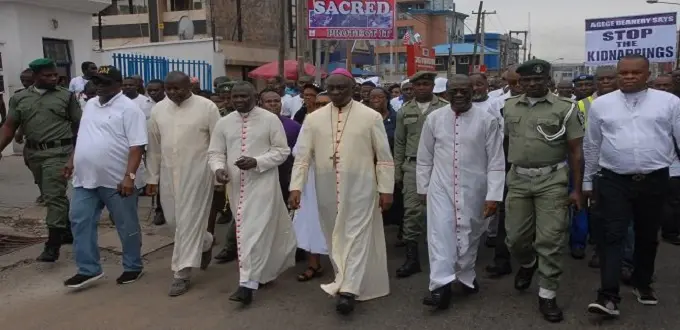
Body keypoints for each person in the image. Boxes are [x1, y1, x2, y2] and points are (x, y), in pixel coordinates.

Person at [289, 68, 394, 315]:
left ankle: (348, 290)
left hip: (362, 186)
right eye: (331, 88)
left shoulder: (370, 117)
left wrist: (386, 189)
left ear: (353, 89)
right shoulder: (313, 119)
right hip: (325, 186)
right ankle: (345, 279)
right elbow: (302, 157)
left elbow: (385, 158)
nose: (335, 92)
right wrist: (296, 186)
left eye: (341, 88)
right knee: (334, 234)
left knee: (356, 236)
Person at [584, 55, 680, 316]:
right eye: (623, 73)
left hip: (655, 179)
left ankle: (642, 282)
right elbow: (592, 144)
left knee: (647, 236)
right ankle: (608, 296)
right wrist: (587, 180)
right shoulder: (602, 105)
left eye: (634, 73)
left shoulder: (669, 102)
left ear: (647, 74)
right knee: (612, 235)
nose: (627, 77)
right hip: (614, 179)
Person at [503, 59, 584, 322]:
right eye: (526, 80)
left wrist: (578, 189)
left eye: (538, 79)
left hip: (552, 179)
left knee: (550, 239)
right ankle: (528, 264)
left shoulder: (566, 108)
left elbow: (576, 151)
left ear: (548, 80)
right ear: (520, 83)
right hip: (518, 179)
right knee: (515, 238)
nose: (532, 84)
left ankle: (547, 294)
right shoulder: (509, 106)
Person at [417, 75, 505, 310]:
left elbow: (496, 161)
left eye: (463, 90)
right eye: (453, 90)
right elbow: (424, 157)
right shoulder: (434, 119)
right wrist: (423, 188)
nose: (458, 94)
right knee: (440, 235)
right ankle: (440, 287)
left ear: (472, 92)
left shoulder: (487, 120)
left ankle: (466, 275)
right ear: (445, 93)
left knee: (469, 234)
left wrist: (494, 195)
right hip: (440, 187)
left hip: (475, 187)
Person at [208, 81, 297, 305]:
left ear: (255, 97)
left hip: (264, 183)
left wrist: (257, 161)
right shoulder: (224, 123)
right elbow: (215, 152)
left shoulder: (269, 119)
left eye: (243, 97)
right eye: (235, 97)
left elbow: (282, 151)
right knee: (248, 232)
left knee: (252, 232)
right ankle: (261, 273)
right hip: (236, 186)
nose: (239, 100)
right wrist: (218, 169)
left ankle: (246, 285)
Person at [64, 65, 146, 288]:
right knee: (79, 219)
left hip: (118, 181)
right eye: (96, 81)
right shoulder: (90, 104)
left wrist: (129, 177)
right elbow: (82, 136)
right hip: (85, 178)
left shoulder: (130, 109)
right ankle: (88, 269)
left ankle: (133, 266)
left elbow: (137, 146)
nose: (98, 86)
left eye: (104, 82)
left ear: (118, 85)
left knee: (125, 224)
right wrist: (72, 160)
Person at [145, 71, 221, 297]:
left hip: (198, 172)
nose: (173, 93)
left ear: (190, 86)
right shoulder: (158, 110)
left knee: (188, 222)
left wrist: (218, 174)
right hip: (169, 173)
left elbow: (218, 143)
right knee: (174, 222)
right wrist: (152, 178)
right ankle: (206, 241)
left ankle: (182, 273)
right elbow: (154, 147)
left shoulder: (207, 107)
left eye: (178, 88)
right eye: (169, 88)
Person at [0, 58, 81, 262]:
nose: (53, 78)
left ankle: (52, 246)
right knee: (48, 193)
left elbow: (80, 127)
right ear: (35, 77)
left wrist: (74, 155)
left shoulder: (66, 96)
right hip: (33, 154)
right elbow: (9, 126)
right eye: (47, 75)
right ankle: (67, 230)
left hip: (59, 152)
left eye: (55, 75)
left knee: (54, 195)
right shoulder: (20, 99)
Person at [393, 71, 449, 278]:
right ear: (412, 88)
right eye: (418, 85)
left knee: (442, 212)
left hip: (440, 166)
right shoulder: (404, 111)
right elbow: (399, 142)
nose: (422, 88)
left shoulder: (445, 107)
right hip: (412, 167)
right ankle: (412, 258)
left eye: (426, 84)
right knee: (412, 212)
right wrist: (397, 171)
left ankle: (443, 256)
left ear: (433, 86)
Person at [575, 66, 618, 268]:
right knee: (590, 209)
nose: (607, 82)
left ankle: (616, 255)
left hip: (617, 167)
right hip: (588, 164)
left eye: (611, 78)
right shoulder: (582, 105)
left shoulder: (626, 103)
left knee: (615, 213)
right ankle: (587, 245)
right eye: (603, 79)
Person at [485, 66, 525, 278]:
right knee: (504, 212)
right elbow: (492, 137)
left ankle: (528, 260)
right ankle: (502, 259)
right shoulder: (496, 105)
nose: (518, 86)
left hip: (533, 164)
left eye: (521, 81)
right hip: (505, 162)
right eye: (513, 82)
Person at [291, 93, 328, 282]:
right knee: (312, 221)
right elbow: (297, 151)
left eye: (326, 104)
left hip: (340, 180)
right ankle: (314, 264)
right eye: (318, 104)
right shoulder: (309, 123)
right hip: (313, 179)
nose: (321, 107)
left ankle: (345, 270)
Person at [469, 73, 505, 247]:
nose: (475, 88)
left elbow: (501, 132)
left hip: (490, 159)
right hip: (469, 162)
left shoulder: (495, 104)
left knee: (491, 197)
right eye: (472, 85)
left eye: (479, 84)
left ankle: (491, 233)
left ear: (486, 86)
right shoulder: (460, 107)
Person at [651, 74, 680, 246]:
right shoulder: (646, 106)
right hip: (652, 164)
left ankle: (670, 231)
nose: (663, 88)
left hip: (674, 164)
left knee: (673, 200)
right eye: (659, 85)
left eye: (666, 85)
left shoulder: (676, 103)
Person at [259, 89, 302, 203]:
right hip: (260, 175)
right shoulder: (253, 125)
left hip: (285, 176)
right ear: (261, 104)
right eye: (268, 101)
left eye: (276, 101)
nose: (273, 104)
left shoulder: (294, 126)